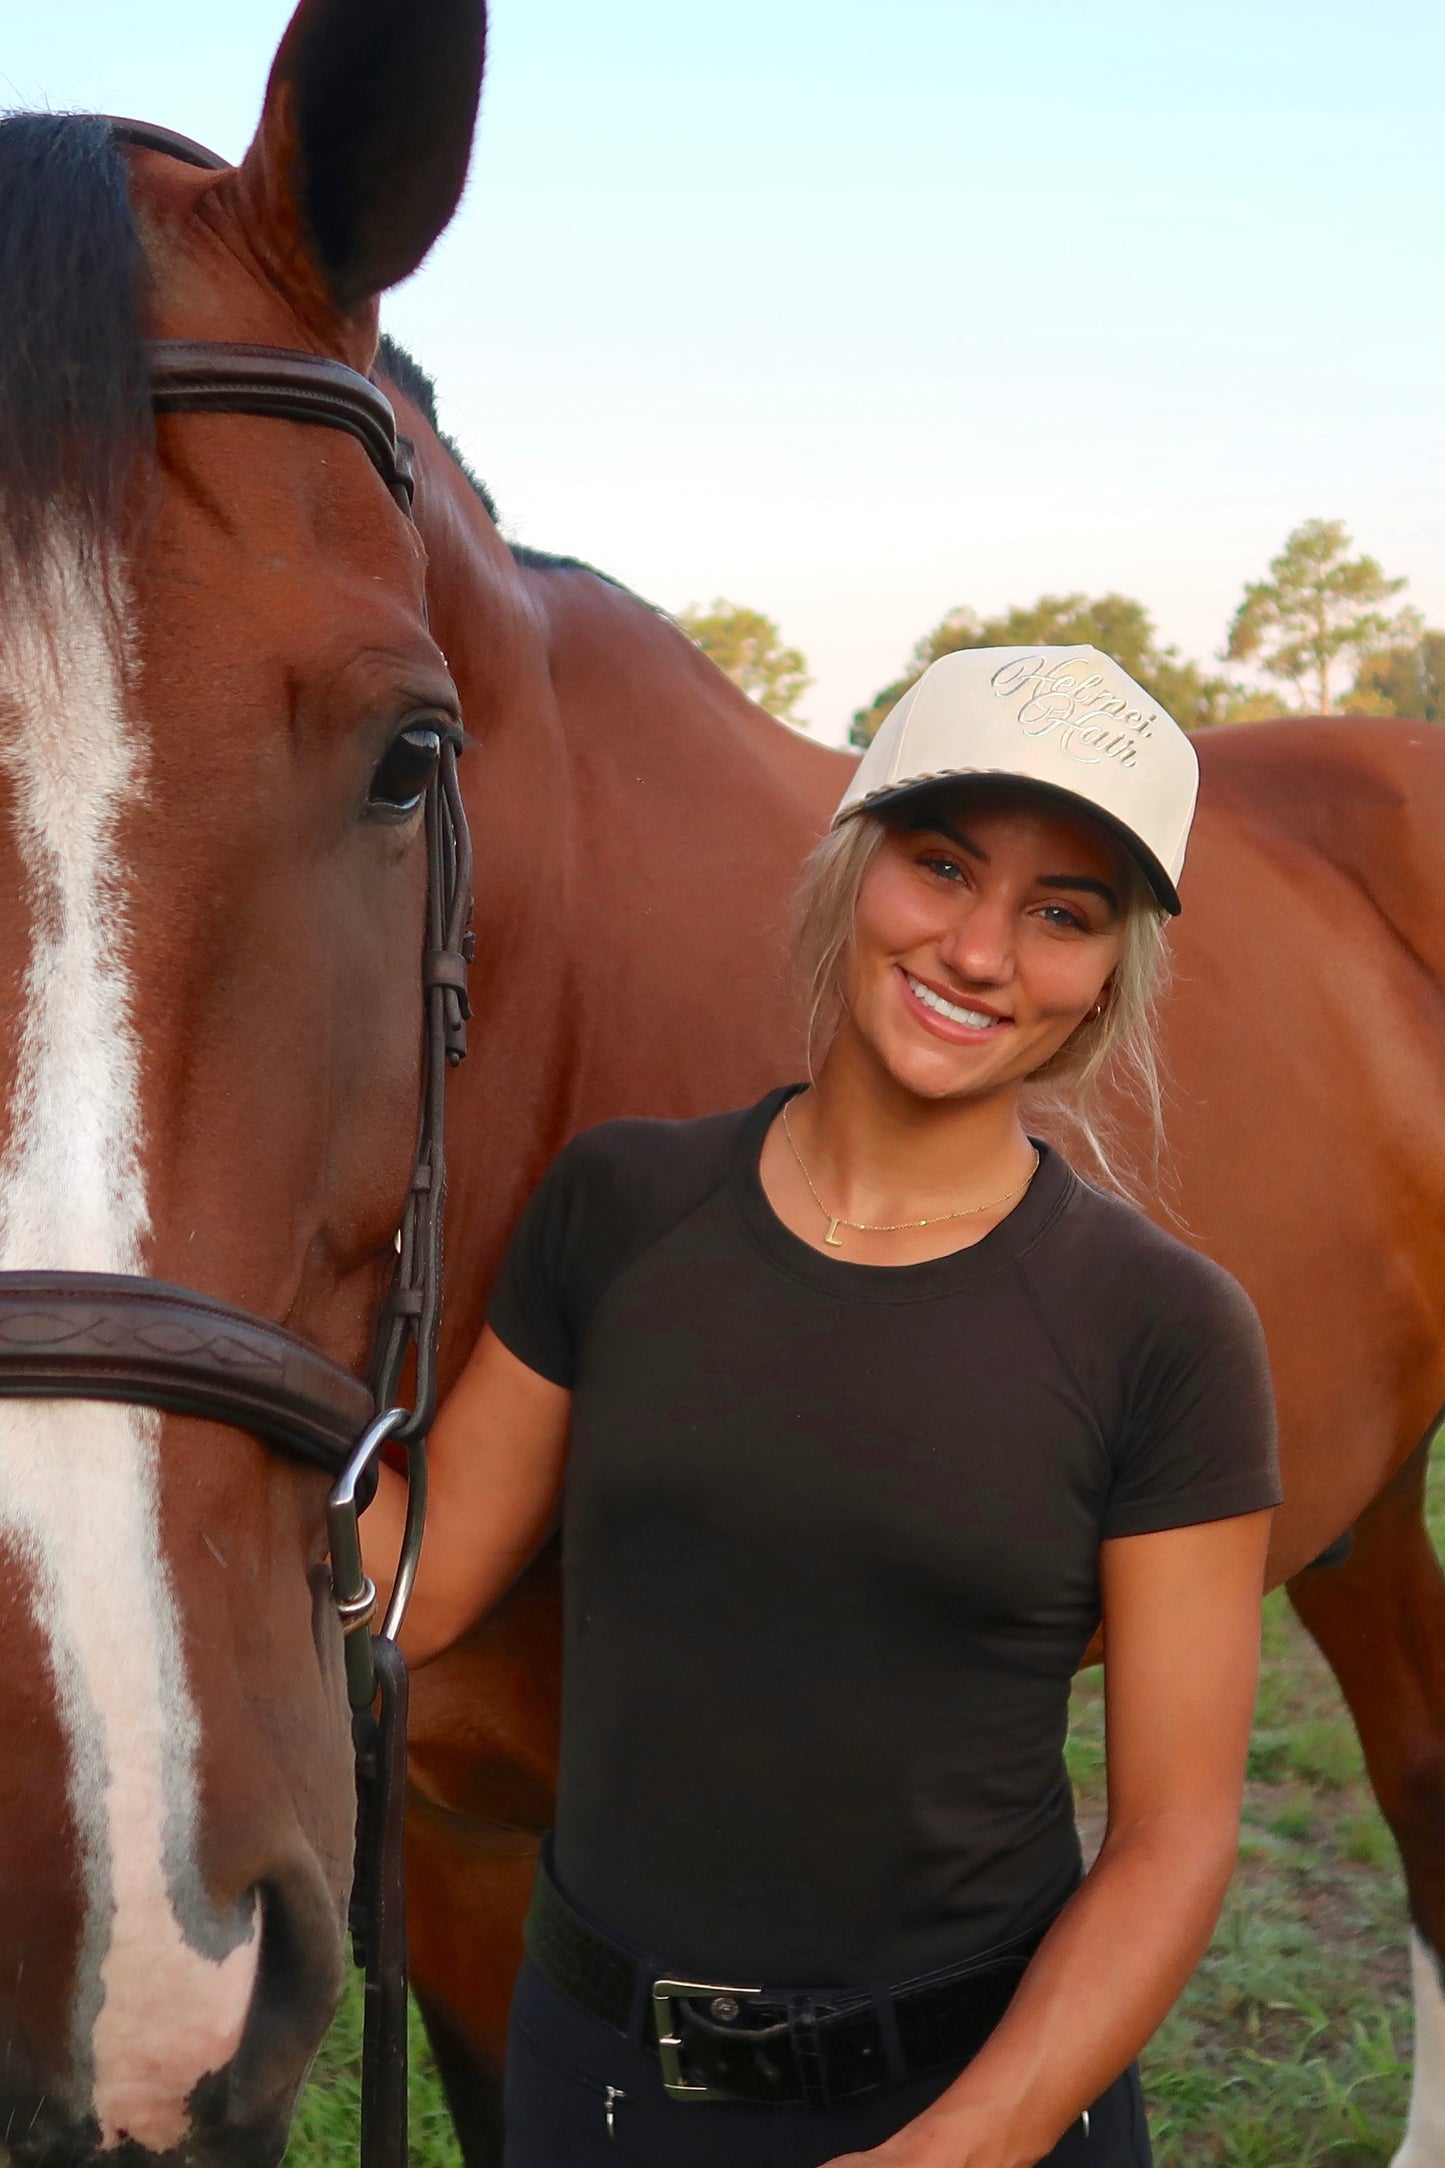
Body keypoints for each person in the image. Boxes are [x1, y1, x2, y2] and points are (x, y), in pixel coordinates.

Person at [364, 644, 1280, 2168]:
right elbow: (419, 1586)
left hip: (971, 2095)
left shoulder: (1164, 1331)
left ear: (1112, 971)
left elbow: (1175, 1834)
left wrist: (974, 2140)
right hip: (592, 2086)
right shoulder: (620, 1207)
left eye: (1063, 913)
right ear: (856, 867)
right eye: (942, 865)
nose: (981, 951)